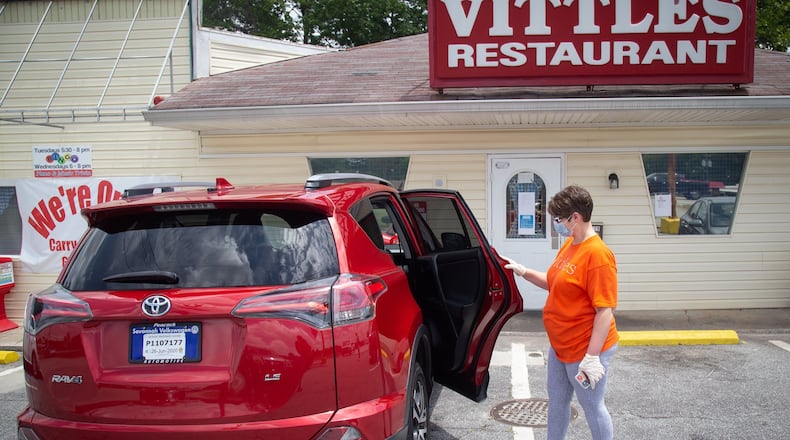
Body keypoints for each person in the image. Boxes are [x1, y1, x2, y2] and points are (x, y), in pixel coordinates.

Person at [504, 185, 619, 440]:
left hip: (584, 347)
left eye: (559, 219)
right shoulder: (570, 245)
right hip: (561, 345)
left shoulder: (598, 256)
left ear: (574, 218)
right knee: (557, 402)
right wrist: (523, 271)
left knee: (592, 407)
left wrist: (592, 357)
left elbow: (604, 311)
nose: (556, 223)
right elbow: (553, 281)